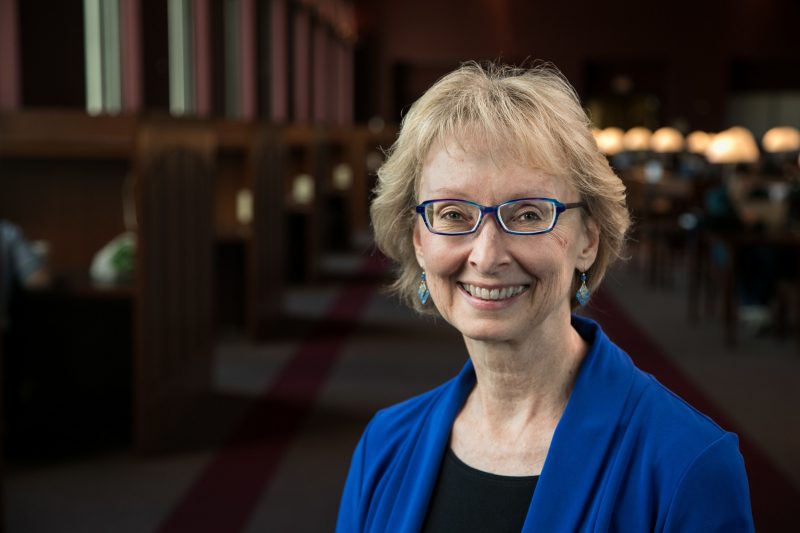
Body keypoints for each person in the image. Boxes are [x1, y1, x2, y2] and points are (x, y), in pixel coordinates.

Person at [337, 62, 754, 532]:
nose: (487, 255)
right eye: (453, 214)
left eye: (529, 214)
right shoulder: (384, 445)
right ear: (418, 239)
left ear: (588, 240)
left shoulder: (688, 464)